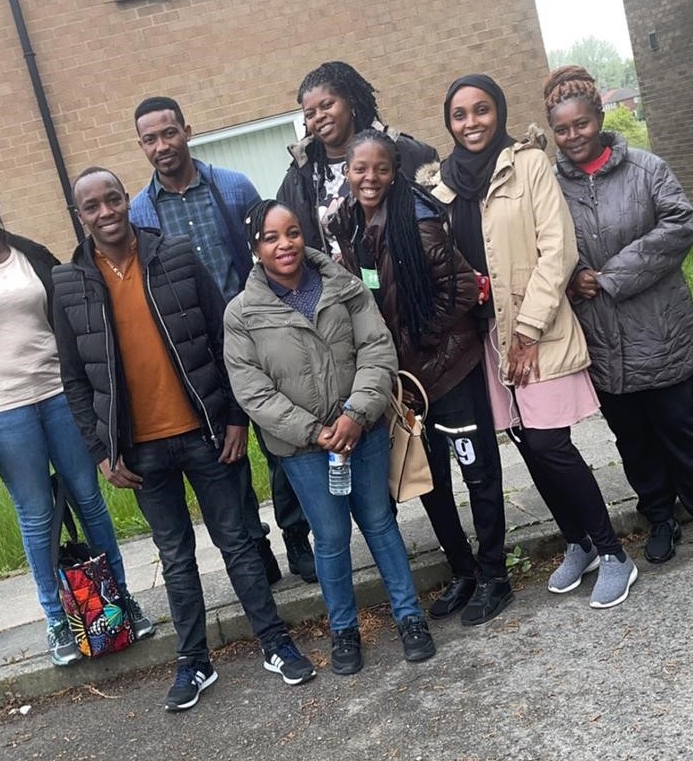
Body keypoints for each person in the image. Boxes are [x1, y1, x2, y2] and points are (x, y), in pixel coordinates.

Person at [53, 168, 315, 712]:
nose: (105, 212)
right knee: (174, 556)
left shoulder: (174, 254)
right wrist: (101, 451)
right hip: (140, 449)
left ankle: (274, 641)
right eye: (91, 206)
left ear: (127, 201)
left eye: (112, 199)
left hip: (207, 431)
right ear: (80, 215)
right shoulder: (68, 282)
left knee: (239, 540)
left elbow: (225, 340)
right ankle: (194, 661)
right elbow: (75, 379)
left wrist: (237, 417)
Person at [418, 74, 638, 609]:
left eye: (482, 110)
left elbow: (557, 251)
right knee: (524, 444)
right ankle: (578, 543)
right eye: (460, 114)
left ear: (500, 112)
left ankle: (614, 554)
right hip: (484, 341)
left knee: (549, 444)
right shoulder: (438, 186)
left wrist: (526, 331)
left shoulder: (529, 163)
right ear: (449, 122)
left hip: (535, 330)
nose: (472, 123)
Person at [0, 173, 154, 668]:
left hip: (59, 396)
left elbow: (70, 321)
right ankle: (59, 622)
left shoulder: (34, 255)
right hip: (1, 410)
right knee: (36, 515)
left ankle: (118, 603)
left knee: (90, 500)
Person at [223, 199, 436, 675]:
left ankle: (409, 617)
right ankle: (344, 629)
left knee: (380, 522)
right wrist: (315, 432)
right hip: (302, 449)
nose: (285, 244)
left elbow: (377, 349)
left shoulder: (345, 286)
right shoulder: (241, 313)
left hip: (363, 433)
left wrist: (357, 415)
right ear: (254, 247)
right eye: (271, 237)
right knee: (331, 536)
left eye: (293, 232)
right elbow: (252, 390)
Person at [544, 65, 693, 565]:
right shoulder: (550, 188)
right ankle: (660, 518)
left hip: (661, 330)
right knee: (632, 441)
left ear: (599, 118)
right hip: (603, 342)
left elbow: (679, 223)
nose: (572, 137)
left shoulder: (647, 170)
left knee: (681, 432)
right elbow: (545, 247)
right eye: (561, 129)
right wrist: (572, 276)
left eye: (580, 124)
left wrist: (608, 276)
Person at [128, 96, 316, 585]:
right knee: (227, 458)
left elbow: (268, 256)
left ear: (187, 130)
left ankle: (298, 541)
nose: (162, 145)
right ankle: (257, 552)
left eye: (169, 132)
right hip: (199, 358)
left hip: (259, 338)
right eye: (151, 138)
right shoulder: (139, 214)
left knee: (282, 446)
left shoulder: (234, 188)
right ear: (141, 145)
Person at [327, 128, 511, 625]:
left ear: (395, 172)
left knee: (478, 474)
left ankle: (495, 574)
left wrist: (420, 339)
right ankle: (463, 570)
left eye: (381, 169)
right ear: (346, 171)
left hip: (449, 370)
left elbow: (462, 288)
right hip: (405, 382)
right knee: (427, 480)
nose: (370, 178)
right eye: (359, 169)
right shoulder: (347, 223)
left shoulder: (419, 221)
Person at [277, 61, 438, 258]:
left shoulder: (403, 153)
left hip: (407, 275)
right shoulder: (300, 177)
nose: (319, 116)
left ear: (350, 101)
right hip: (343, 287)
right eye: (310, 114)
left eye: (327, 105)